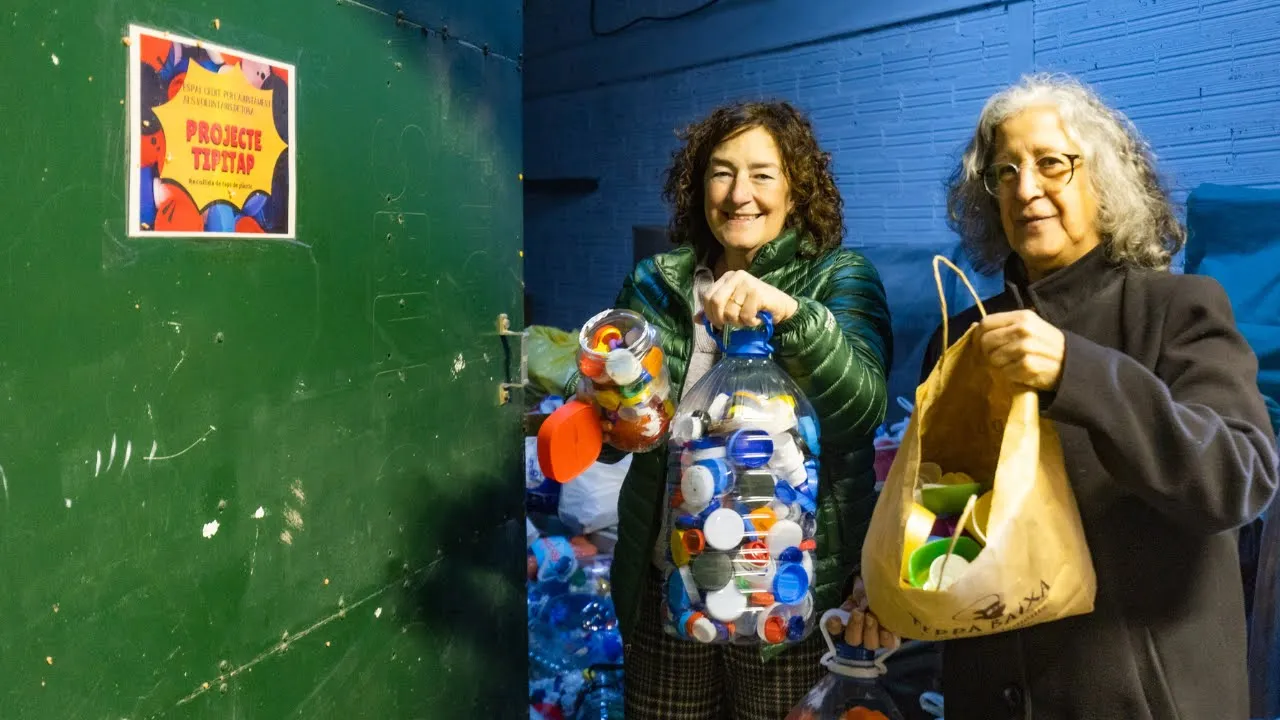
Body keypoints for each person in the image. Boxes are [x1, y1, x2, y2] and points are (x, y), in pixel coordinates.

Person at [924, 72, 1280, 719]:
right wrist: (891, 585)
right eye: (1005, 172)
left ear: (1104, 180)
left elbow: (1238, 479)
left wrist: (1077, 371)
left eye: (1051, 163)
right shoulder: (962, 335)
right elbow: (944, 522)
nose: (1025, 189)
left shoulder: (1178, 309)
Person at [562, 100, 895, 719]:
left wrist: (792, 317)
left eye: (763, 174)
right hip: (673, 583)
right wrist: (599, 400)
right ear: (699, 186)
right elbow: (624, 427)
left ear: (796, 189)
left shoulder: (838, 277)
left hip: (786, 595)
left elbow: (861, 412)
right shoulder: (657, 283)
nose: (740, 193)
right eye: (721, 172)